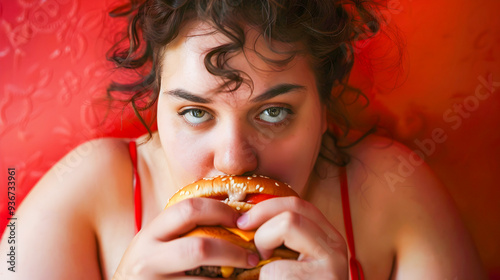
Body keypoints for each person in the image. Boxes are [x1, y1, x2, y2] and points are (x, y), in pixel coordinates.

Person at [0, 0, 486, 279]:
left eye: (274, 112)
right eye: (195, 112)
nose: (233, 161)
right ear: (156, 106)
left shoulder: (390, 190)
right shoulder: (85, 189)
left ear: (323, 108)